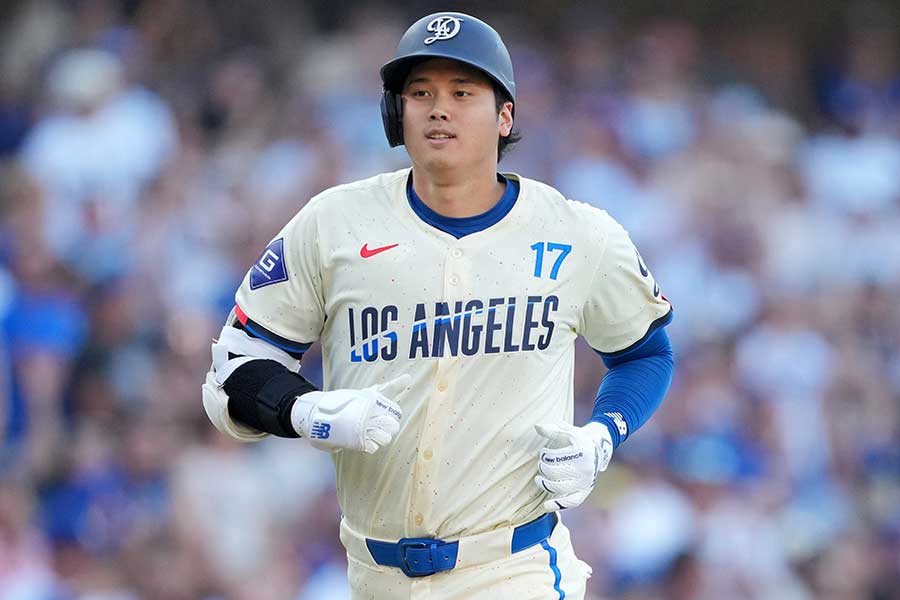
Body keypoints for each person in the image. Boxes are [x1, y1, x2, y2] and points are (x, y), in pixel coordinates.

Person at [201, 11, 675, 600]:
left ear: (505, 115)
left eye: (462, 91)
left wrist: (603, 434)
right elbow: (235, 368)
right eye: (419, 92)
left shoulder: (580, 233)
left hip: (513, 566)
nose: (438, 108)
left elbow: (646, 354)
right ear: (394, 114)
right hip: (372, 573)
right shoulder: (333, 223)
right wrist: (306, 410)